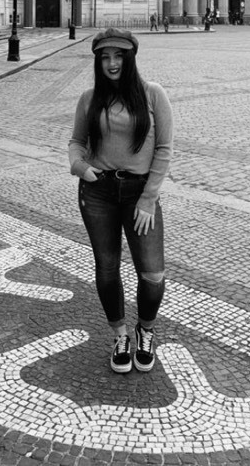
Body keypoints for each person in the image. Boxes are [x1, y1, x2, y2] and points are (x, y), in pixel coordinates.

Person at [68, 28, 173, 375]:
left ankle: (146, 330)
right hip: (97, 192)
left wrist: (148, 198)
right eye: (104, 57)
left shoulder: (152, 95)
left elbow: (164, 149)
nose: (112, 63)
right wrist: (81, 168)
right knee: (108, 267)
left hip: (139, 194)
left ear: (130, 58)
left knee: (153, 272)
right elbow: (76, 142)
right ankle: (120, 335)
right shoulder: (89, 98)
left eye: (119, 56)